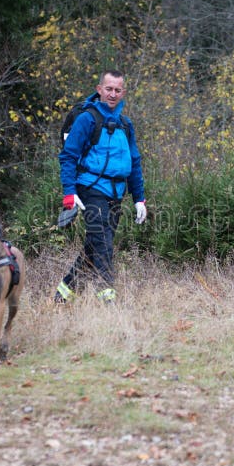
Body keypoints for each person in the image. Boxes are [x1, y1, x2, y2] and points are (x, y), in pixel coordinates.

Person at [55, 70, 146, 303]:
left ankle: (63, 294)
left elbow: (134, 162)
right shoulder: (87, 119)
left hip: (117, 193)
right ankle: (108, 298)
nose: (113, 94)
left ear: (123, 92)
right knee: (103, 243)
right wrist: (69, 193)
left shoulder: (126, 124)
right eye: (108, 89)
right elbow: (68, 156)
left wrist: (139, 199)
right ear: (99, 89)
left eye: (117, 90)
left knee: (94, 246)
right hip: (90, 190)